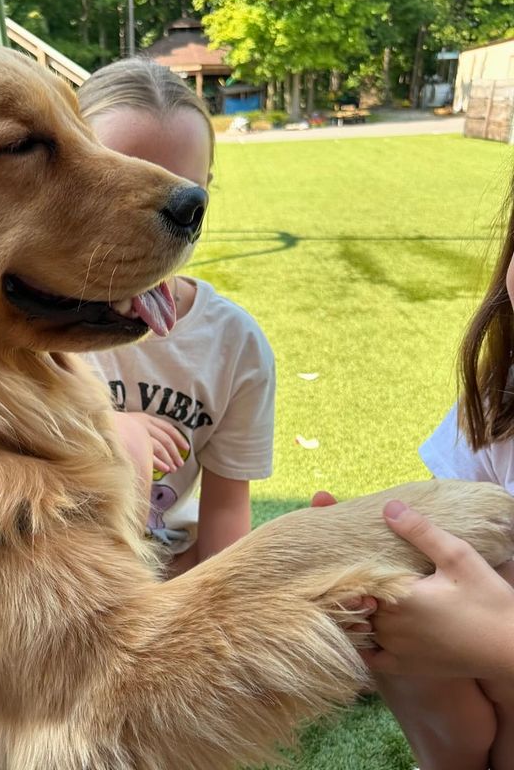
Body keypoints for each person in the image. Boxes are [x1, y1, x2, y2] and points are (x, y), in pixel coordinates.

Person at [314, 188, 514, 769]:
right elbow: (458, 529)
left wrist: (500, 648)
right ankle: (448, 743)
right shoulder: (499, 399)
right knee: (405, 572)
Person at [78, 58, 276, 577]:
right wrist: (110, 432)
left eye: (184, 198)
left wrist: (213, 609)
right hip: (52, 585)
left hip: (169, 577)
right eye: (113, 179)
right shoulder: (26, 325)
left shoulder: (233, 344)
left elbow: (227, 513)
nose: (155, 227)